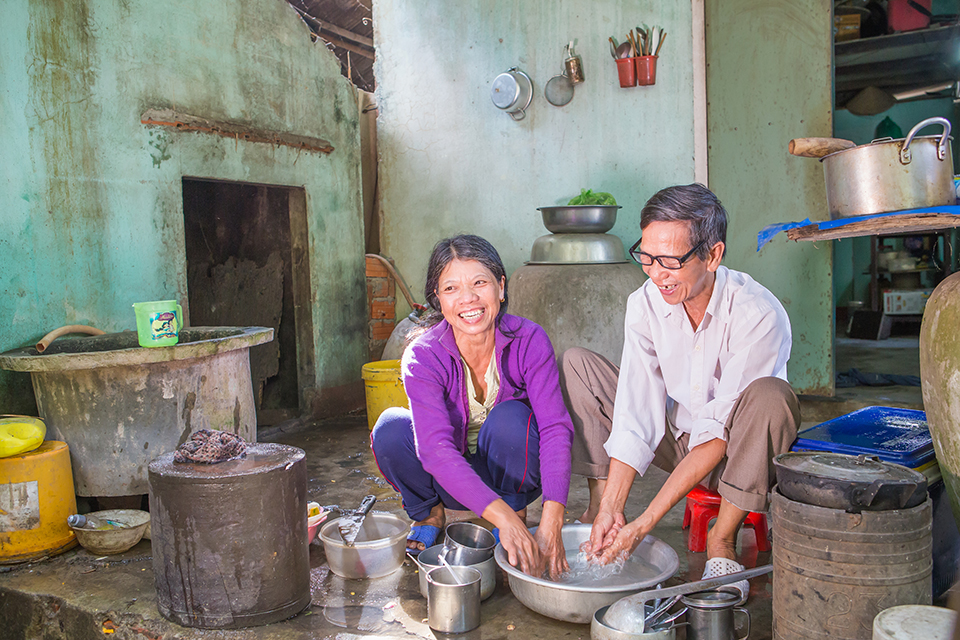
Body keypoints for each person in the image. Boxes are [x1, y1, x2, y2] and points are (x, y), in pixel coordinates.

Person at [560, 184, 800, 602]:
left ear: (713, 255)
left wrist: (645, 522)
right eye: (647, 257)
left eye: (670, 261)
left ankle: (722, 539)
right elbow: (637, 407)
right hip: (681, 442)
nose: (656, 273)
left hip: (741, 453)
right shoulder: (646, 303)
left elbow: (719, 434)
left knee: (771, 396)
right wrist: (616, 508)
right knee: (577, 363)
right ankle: (598, 505)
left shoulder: (757, 314)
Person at [371, 234, 574, 579]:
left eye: (480, 282)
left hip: (507, 473)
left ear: (501, 287)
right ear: (437, 298)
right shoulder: (423, 356)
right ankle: (430, 514)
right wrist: (504, 521)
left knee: (512, 419)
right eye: (451, 289)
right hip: (448, 479)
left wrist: (554, 517)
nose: (468, 299)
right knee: (391, 429)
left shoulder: (529, 339)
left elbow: (555, 428)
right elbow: (435, 452)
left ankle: (513, 509)